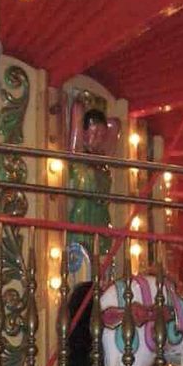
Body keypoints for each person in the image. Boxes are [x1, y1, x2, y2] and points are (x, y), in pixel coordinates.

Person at [68, 107, 112, 276]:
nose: (98, 140)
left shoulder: (103, 163)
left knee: (100, 259)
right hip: (82, 213)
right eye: (94, 134)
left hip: (100, 215)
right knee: (81, 257)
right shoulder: (79, 157)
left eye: (101, 136)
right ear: (84, 133)